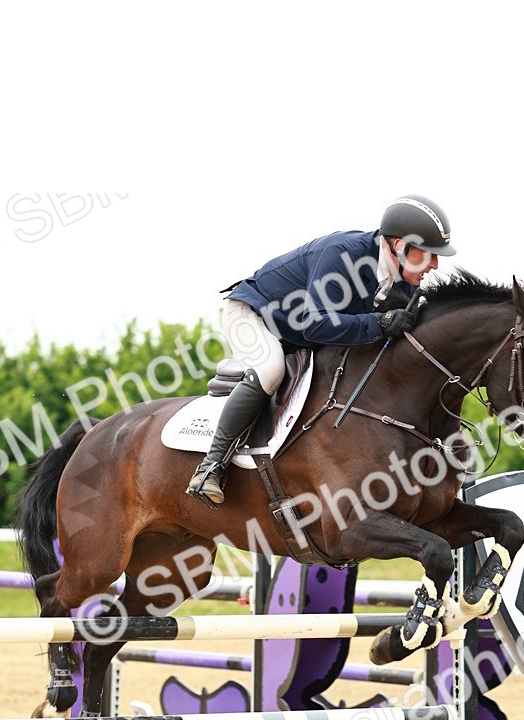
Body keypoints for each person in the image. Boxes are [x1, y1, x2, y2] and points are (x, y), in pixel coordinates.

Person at [186, 194, 456, 506]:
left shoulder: (406, 283)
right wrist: (380, 322)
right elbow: (315, 325)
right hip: (253, 316)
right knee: (271, 368)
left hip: (298, 333)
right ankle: (211, 467)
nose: (436, 265)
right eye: (429, 254)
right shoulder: (342, 254)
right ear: (398, 246)